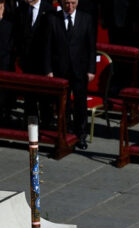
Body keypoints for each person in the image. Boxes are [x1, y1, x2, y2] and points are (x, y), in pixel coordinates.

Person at [43, 0, 97, 150]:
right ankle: (65, 133)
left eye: (73, 3)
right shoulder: (53, 19)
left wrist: (91, 69)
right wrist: (48, 69)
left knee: (80, 104)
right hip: (60, 70)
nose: (70, 7)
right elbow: (47, 46)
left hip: (79, 70)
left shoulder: (86, 18)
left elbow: (91, 46)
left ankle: (81, 136)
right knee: (62, 105)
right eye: (67, 3)